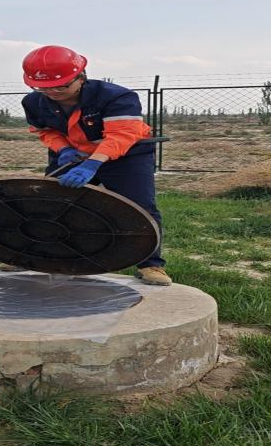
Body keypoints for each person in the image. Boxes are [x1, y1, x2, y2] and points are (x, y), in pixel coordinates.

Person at [20, 45, 171, 285]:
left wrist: (92, 164)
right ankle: (34, 255)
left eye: (61, 86)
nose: (52, 92)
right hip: (74, 155)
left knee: (140, 206)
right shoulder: (33, 102)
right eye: (43, 87)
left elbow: (121, 135)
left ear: (80, 77)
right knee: (50, 203)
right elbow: (45, 131)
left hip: (126, 156)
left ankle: (150, 265)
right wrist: (64, 149)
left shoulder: (116, 97)